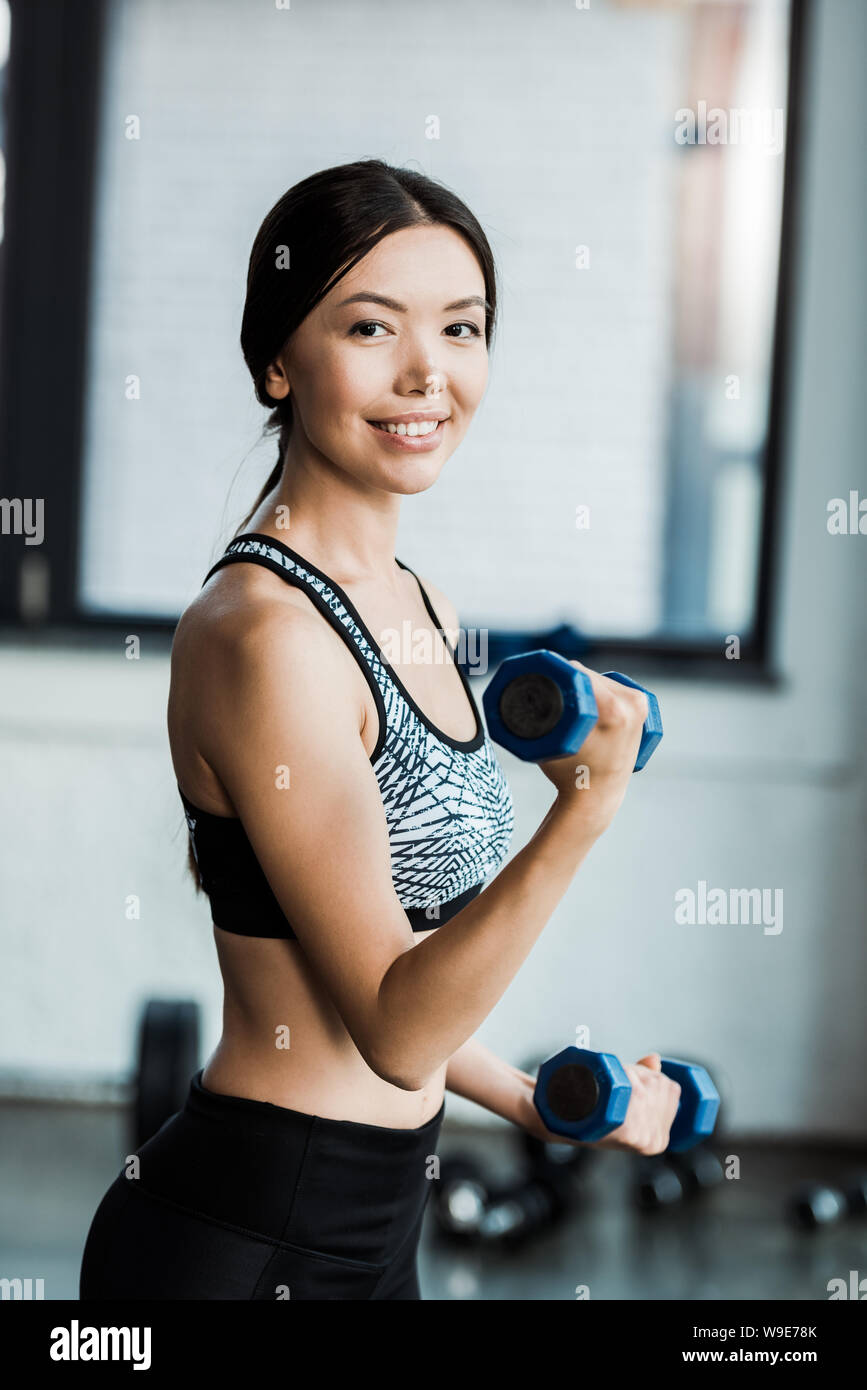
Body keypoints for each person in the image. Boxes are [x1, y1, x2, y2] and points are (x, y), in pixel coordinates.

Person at [79, 159, 679, 1301]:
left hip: (375, 1221)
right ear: (276, 361)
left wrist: (535, 1098)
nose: (428, 373)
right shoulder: (265, 634)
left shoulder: (418, 605)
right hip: (249, 1234)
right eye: (370, 326)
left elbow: (389, 968)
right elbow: (393, 1025)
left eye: (463, 328)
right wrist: (585, 809)